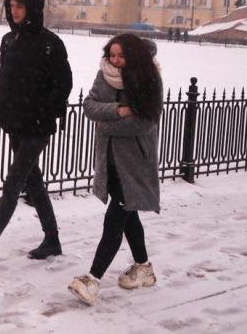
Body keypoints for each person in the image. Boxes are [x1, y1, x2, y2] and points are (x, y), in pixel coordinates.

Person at [0, 0, 73, 268]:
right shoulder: (8, 40)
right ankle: (52, 239)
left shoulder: (51, 43)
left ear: (32, 8)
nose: (14, 11)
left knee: (13, 185)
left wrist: (44, 113)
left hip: (37, 127)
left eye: (20, 6)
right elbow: (5, 80)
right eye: (11, 5)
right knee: (34, 183)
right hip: (15, 123)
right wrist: (0, 107)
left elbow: (63, 85)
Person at [68, 33, 162, 305]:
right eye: (113, 55)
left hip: (134, 162)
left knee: (114, 220)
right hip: (109, 159)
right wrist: (119, 110)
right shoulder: (104, 74)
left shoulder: (148, 79)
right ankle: (143, 268)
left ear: (134, 56)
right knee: (128, 215)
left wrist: (106, 123)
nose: (116, 60)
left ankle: (92, 279)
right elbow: (89, 105)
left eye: (122, 56)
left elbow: (145, 122)